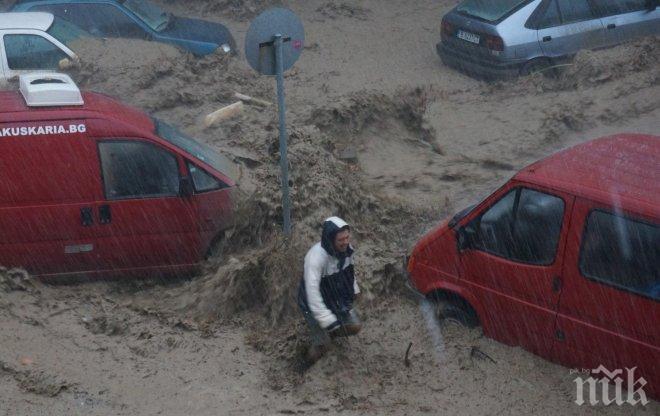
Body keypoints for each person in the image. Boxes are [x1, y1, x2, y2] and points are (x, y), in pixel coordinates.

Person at [297, 216, 362, 363]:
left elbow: (349, 273)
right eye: (341, 240)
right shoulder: (315, 259)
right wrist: (327, 319)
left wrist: (354, 290)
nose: (345, 242)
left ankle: (331, 332)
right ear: (330, 239)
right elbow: (312, 294)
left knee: (355, 326)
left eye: (347, 237)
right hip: (312, 305)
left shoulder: (347, 250)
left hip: (335, 298)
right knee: (322, 345)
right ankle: (304, 366)